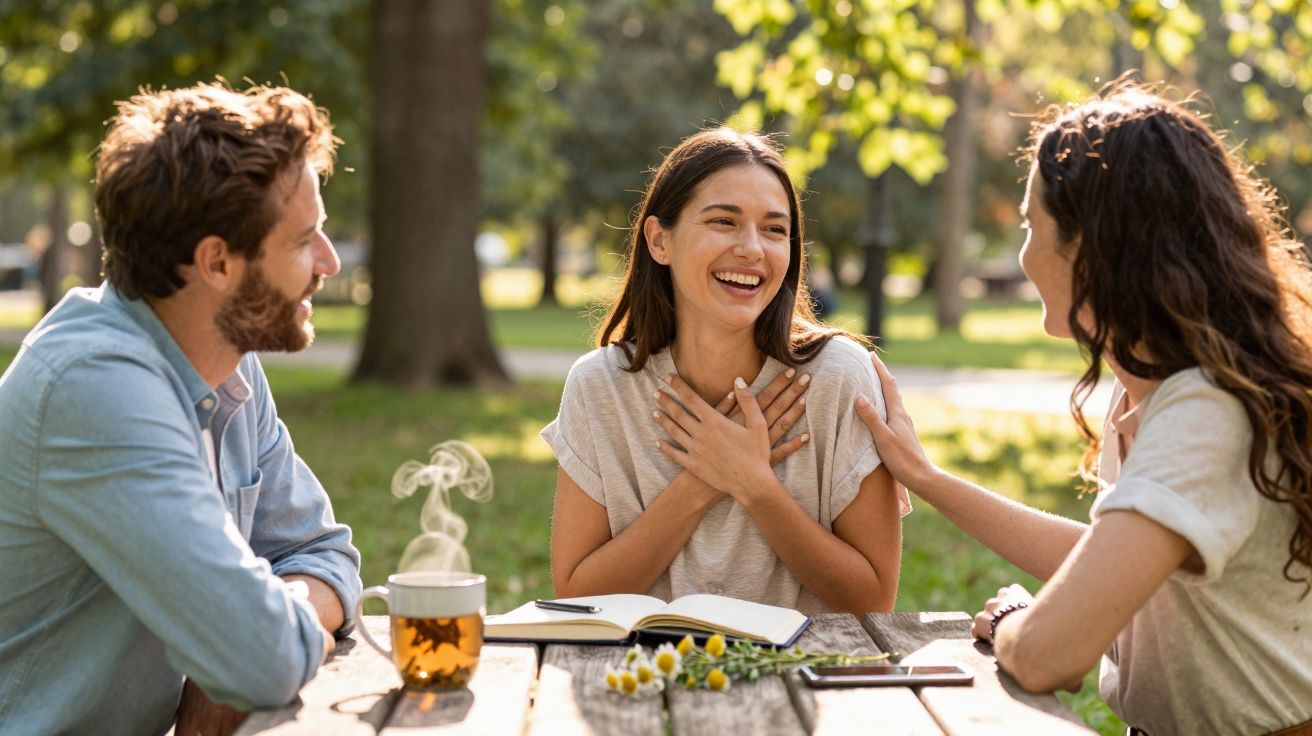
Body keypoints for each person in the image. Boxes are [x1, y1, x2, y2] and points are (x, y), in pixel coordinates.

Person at [855, 83, 1312, 733]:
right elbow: (1120, 560)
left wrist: (1023, 624)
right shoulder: (1151, 395)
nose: (1022, 251)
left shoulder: (1206, 412)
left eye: (1028, 225)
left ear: (1091, 247)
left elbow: (1046, 658)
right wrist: (927, 479)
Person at [0, 83, 363, 735]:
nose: (328, 263)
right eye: (306, 239)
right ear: (217, 262)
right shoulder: (94, 388)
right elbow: (259, 659)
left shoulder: (226, 358)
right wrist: (250, 644)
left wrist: (257, 634)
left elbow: (322, 553)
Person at [545, 128, 908, 616]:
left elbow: (873, 599)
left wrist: (755, 485)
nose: (753, 249)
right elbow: (577, 599)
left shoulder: (840, 380)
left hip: (806, 679)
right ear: (659, 241)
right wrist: (702, 482)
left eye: (776, 229)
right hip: (642, 676)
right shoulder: (600, 387)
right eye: (724, 221)